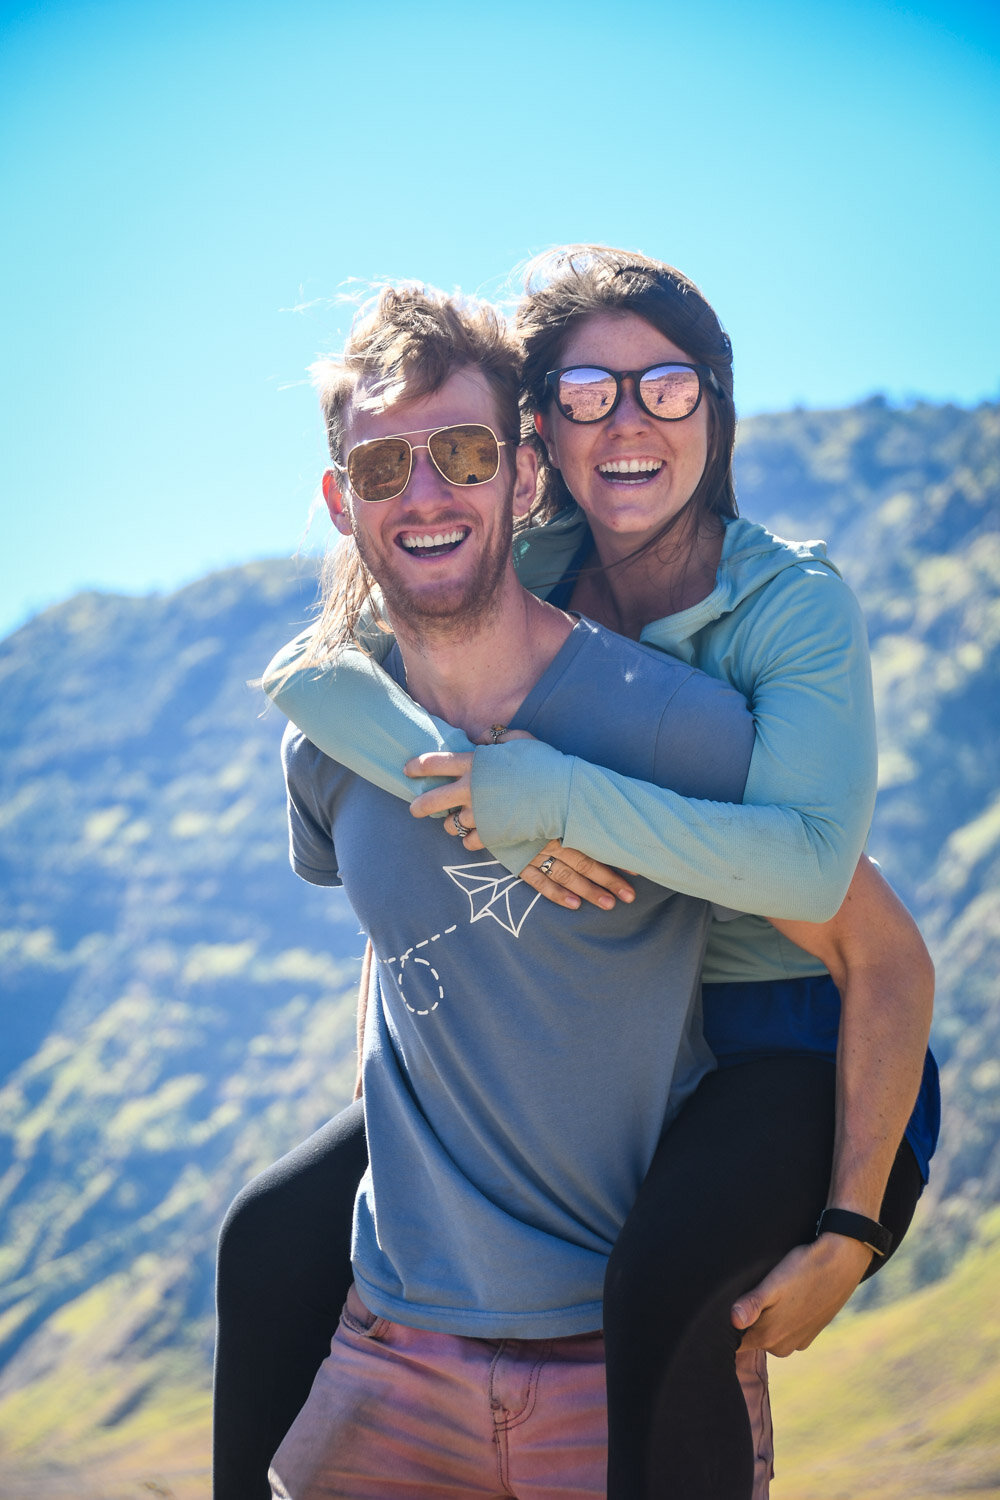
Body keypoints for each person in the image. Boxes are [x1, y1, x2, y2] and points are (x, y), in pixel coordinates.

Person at [216, 251, 937, 1497]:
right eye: (587, 393)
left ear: (715, 405)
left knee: (657, 1281)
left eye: (664, 387)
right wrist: (452, 779)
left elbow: (834, 891)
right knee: (271, 1235)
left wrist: (558, 803)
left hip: (799, 1035)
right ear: (544, 434)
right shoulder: (523, 559)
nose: (629, 424)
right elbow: (337, 669)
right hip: (639, 1022)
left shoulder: (779, 619)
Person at [267, 280, 762, 1498]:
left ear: (525, 476)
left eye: (463, 453)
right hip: (391, 1350)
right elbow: (404, 959)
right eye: (383, 469)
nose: (424, 495)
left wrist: (852, 1222)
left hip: (631, 1357)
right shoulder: (327, 749)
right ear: (343, 503)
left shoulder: (680, 732)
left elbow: (850, 950)